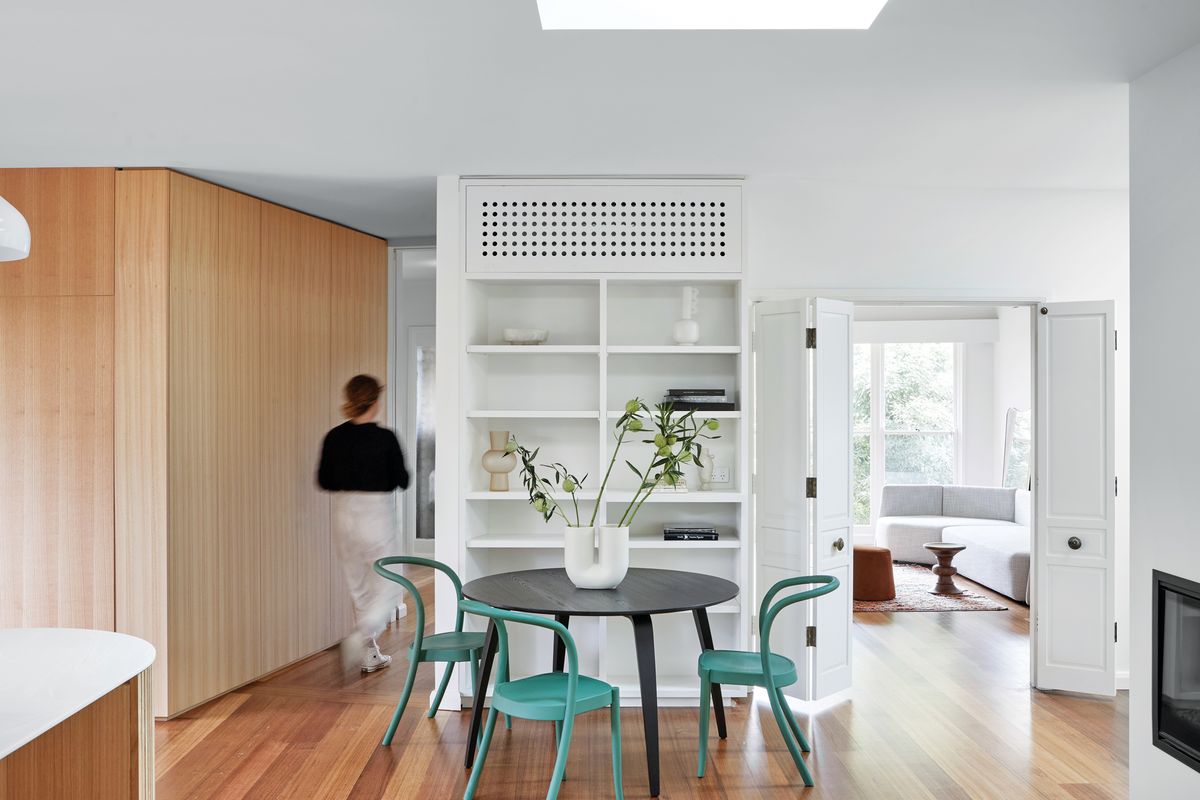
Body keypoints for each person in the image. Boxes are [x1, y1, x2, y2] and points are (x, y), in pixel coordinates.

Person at [318, 374, 410, 672]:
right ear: (375, 400)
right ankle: (363, 635)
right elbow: (403, 479)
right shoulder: (385, 438)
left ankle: (370, 653)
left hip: (344, 513)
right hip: (375, 513)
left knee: (358, 585)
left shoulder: (334, 437)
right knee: (391, 581)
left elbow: (324, 479)